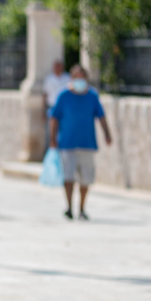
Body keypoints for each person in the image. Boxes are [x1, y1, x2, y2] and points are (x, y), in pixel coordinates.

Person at [48, 65, 112, 220]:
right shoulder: (63, 95)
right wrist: (52, 138)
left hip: (87, 143)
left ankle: (82, 208)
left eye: (82, 78)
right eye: (77, 78)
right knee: (68, 177)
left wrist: (107, 134)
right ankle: (69, 207)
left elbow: (101, 116)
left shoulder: (92, 95)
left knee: (86, 179)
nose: (80, 81)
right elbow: (54, 118)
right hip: (67, 144)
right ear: (72, 78)